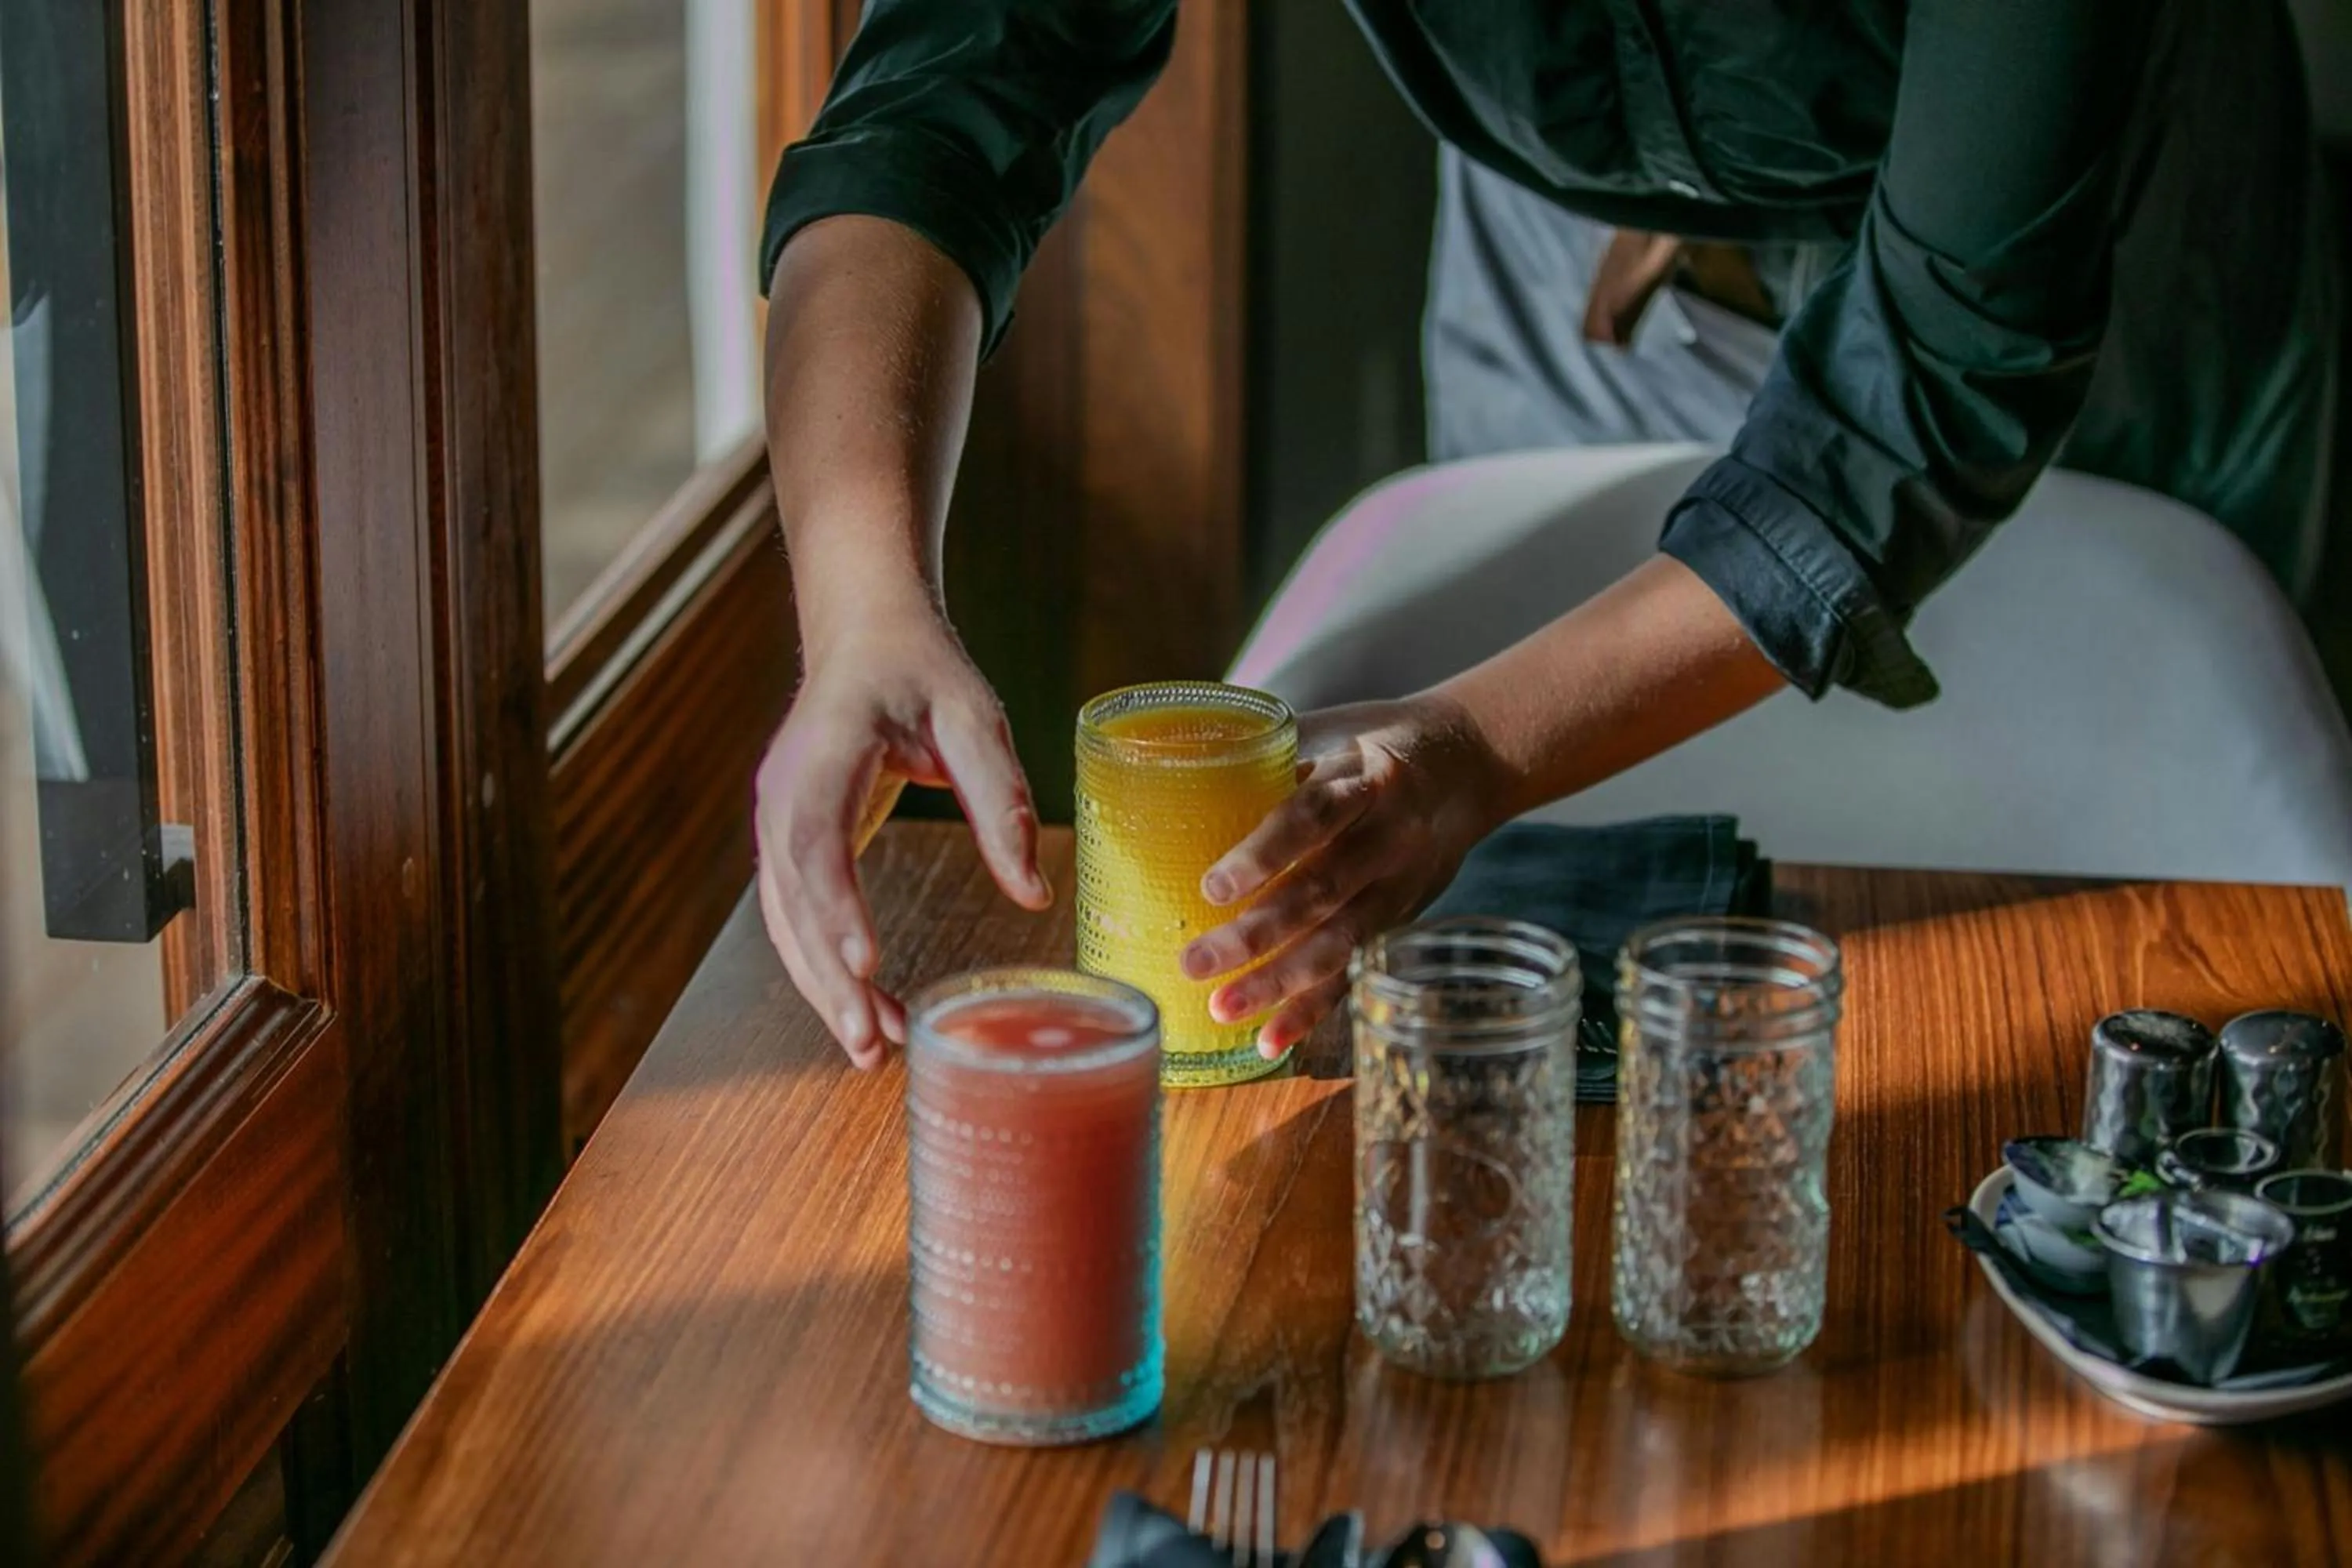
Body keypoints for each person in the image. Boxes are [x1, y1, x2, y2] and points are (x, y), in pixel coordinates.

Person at [751, 1, 2338, 1068]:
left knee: (2130, 916)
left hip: (2095, 236)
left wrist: (1478, 745)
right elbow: (947, 98)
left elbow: (1944, 366)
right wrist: (864, 601)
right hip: (1583, 234)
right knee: (1534, 954)